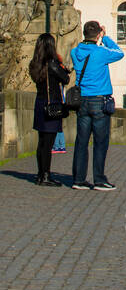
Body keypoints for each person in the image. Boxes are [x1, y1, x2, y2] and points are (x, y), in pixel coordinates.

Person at [69, 20, 125, 190]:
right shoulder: (101, 52)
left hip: (82, 102)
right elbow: (119, 53)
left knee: (82, 141)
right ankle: (99, 179)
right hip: (99, 101)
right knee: (100, 142)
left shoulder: (75, 52)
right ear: (98, 33)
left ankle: (79, 179)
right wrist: (105, 37)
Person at [28, 33, 70, 186]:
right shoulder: (52, 64)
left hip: (40, 104)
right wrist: (61, 64)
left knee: (41, 142)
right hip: (52, 105)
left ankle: (41, 174)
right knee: (49, 142)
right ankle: (46, 175)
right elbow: (66, 79)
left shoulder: (35, 63)